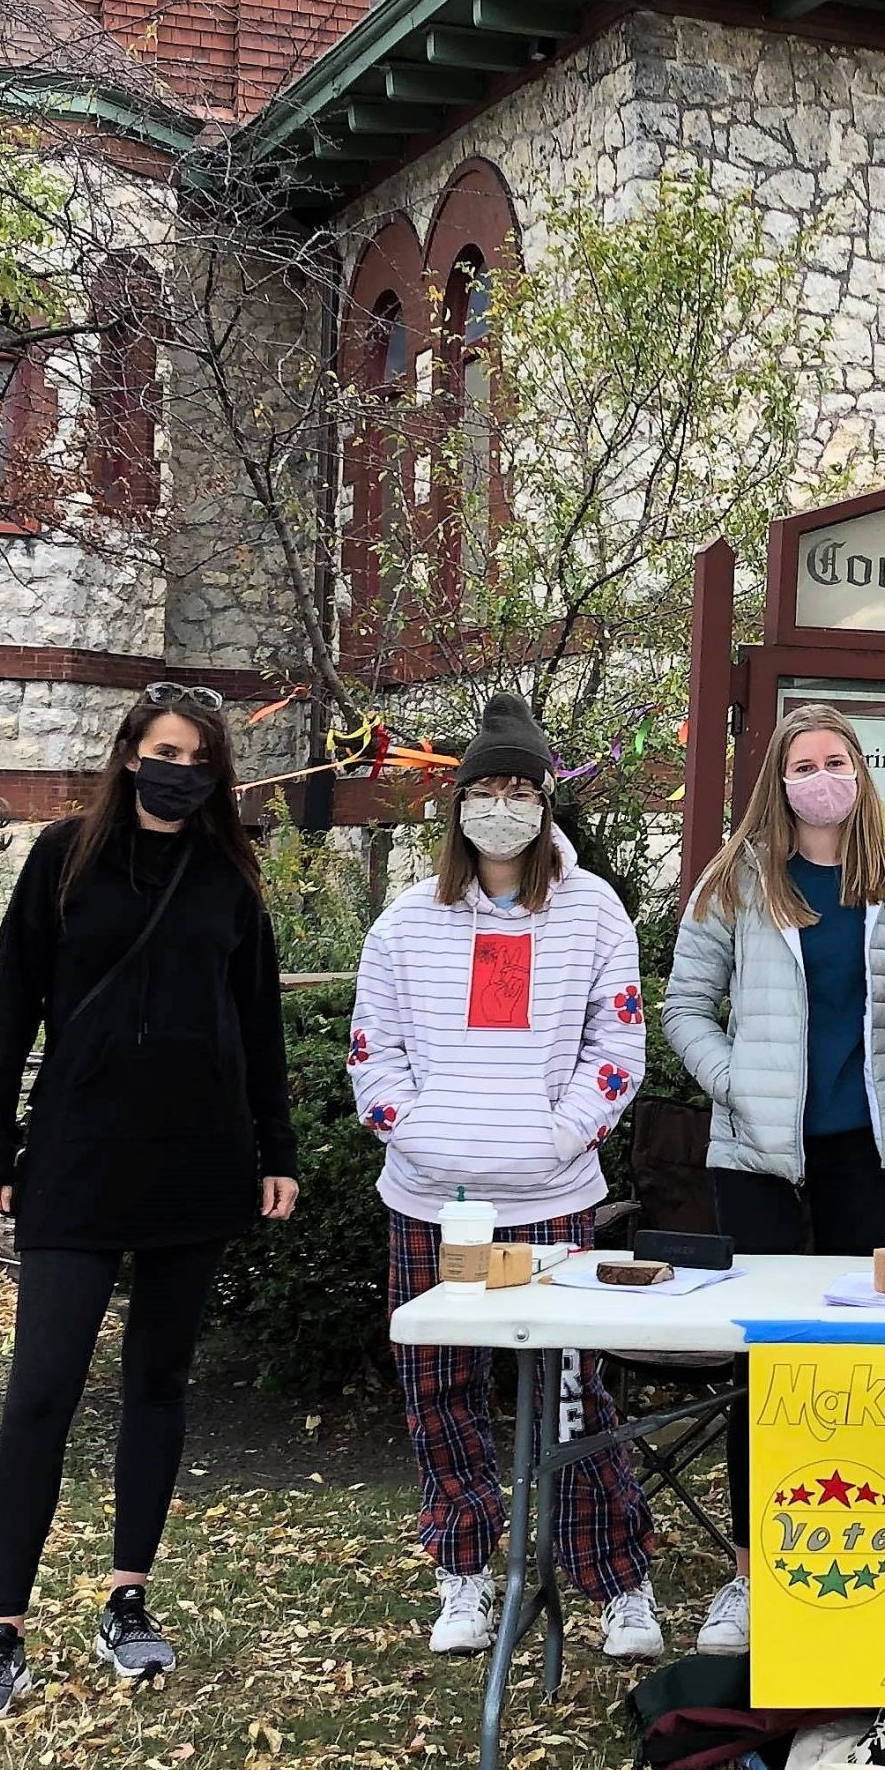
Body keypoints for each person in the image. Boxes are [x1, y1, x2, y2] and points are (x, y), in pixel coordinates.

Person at [0, 683, 300, 1725]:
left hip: (195, 1158)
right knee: (43, 1386)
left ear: (216, 771)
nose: (179, 767)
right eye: (164, 749)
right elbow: (14, 1001)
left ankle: (127, 1596)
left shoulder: (229, 873)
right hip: (76, 1154)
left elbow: (258, 1022)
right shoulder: (64, 856)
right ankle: (3, 1626)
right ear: (129, 752)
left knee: (159, 1381)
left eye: (198, 755)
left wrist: (273, 1149)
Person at [348, 693, 664, 1663]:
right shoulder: (405, 923)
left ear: (543, 799)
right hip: (435, 1202)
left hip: (553, 1198)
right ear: (458, 804)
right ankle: (463, 1568)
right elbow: (373, 1055)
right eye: (483, 785)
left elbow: (618, 1046)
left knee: (573, 1391)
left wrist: (559, 1136)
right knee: (438, 1383)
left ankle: (616, 1578)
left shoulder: (595, 909)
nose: (501, 803)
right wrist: (428, 1134)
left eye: (518, 786)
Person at [665, 702, 885, 1653]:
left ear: (859, 773)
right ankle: (751, 1571)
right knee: (768, 1362)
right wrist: (735, 1081)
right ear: (777, 780)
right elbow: (685, 1007)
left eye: (836, 761)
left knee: (858, 1362)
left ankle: (858, 1545)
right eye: (802, 763)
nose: (820, 777)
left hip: (862, 1150)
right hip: (758, 1157)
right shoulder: (735, 879)